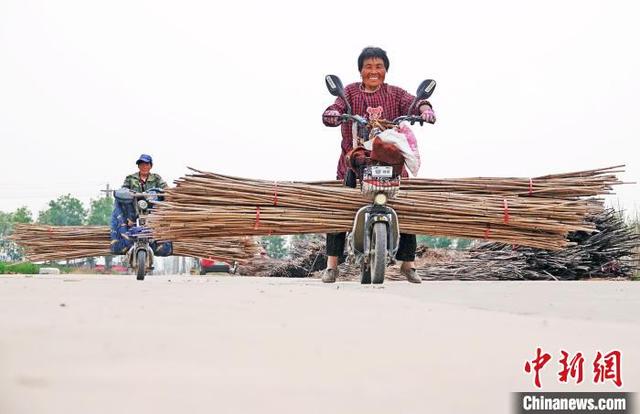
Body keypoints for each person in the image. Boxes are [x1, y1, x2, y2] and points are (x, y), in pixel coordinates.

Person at [321, 47, 436, 284]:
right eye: (368, 67)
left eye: (379, 67)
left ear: (385, 70)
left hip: (389, 162)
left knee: (405, 205)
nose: (374, 71)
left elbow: (415, 103)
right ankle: (332, 265)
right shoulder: (350, 93)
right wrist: (332, 113)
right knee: (338, 206)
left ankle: (408, 263)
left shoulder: (395, 94)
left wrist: (425, 110)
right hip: (355, 163)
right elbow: (337, 108)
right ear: (361, 70)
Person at [110, 154, 171, 256]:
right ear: (138, 166)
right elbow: (123, 189)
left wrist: (166, 193)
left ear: (150, 166)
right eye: (141, 164)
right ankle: (128, 225)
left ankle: (156, 239)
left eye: (146, 164)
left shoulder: (156, 178)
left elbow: (165, 188)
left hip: (151, 209)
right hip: (133, 208)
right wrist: (127, 193)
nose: (144, 166)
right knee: (123, 200)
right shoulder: (130, 178)